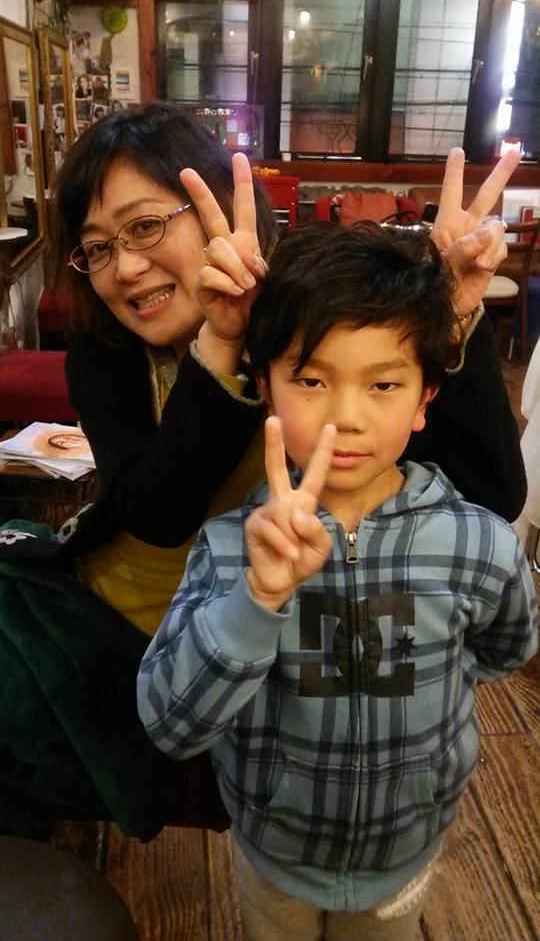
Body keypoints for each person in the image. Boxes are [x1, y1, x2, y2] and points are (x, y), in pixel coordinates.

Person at [0, 101, 525, 841]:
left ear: (221, 202)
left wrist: (453, 313)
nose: (126, 267)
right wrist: (220, 343)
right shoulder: (106, 352)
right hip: (126, 611)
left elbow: (489, 496)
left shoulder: (308, 322)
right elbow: (154, 513)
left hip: (271, 616)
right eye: (97, 248)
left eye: (145, 227)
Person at [137, 221, 537, 941]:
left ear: (425, 398)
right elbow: (171, 723)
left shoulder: (478, 543)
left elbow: (507, 647)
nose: (346, 418)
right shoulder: (230, 548)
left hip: (407, 848)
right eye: (311, 380)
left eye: (383, 384)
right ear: (265, 387)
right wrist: (257, 601)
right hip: (273, 851)